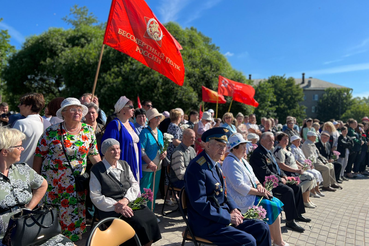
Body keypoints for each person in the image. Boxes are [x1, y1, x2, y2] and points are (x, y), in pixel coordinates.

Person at [184, 128, 271, 246]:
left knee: (262, 227)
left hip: (221, 218)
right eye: (219, 145)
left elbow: (224, 191)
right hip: (207, 224)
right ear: (208, 145)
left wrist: (234, 208)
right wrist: (228, 217)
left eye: (224, 146)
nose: (223, 149)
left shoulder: (214, 163)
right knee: (248, 241)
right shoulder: (197, 168)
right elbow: (200, 203)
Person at [33, 97, 101, 242]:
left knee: (73, 224)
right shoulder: (51, 132)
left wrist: (105, 173)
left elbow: (95, 156)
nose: (77, 112)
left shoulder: (88, 131)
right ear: (63, 113)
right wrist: (36, 182)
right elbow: (39, 156)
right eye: (72, 109)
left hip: (76, 187)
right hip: (53, 187)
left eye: (79, 109)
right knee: (52, 223)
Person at [0, 127, 73, 245]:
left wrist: (29, 208)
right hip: (5, 237)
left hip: (30, 228)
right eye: (19, 146)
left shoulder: (23, 169)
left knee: (66, 243)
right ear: (5, 151)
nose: (22, 149)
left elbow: (43, 185)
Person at [90, 139, 161, 246]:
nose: (117, 151)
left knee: (151, 218)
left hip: (129, 202)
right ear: (104, 152)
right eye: (112, 149)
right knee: (138, 224)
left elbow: (134, 184)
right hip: (110, 209)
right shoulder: (97, 169)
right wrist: (116, 206)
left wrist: (125, 200)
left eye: (118, 148)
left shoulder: (124, 164)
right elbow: (95, 196)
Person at [223, 133, 288, 246]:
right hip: (241, 198)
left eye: (245, 146)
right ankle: (278, 241)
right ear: (235, 147)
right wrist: (259, 191)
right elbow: (239, 186)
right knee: (272, 206)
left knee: (276, 202)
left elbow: (253, 177)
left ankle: (274, 238)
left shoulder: (242, 160)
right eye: (243, 146)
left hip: (251, 193)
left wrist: (259, 186)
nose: (245, 149)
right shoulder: (230, 162)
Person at [249, 132, 310, 233]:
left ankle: (298, 214)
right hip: (267, 183)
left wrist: (283, 175)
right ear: (262, 141)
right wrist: (279, 179)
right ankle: (290, 221)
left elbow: (276, 167)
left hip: (275, 179)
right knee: (288, 191)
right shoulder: (258, 153)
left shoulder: (268, 151)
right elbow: (264, 172)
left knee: (297, 186)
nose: (272, 142)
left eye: (273, 140)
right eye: (269, 140)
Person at [102, 96, 142, 182]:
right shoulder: (114, 124)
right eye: (131, 107)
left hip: (135, 161)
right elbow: (108, 147)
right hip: (123, 162)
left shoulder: (131, 125)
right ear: (122, 109)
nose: (133, 109)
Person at [273, 133, 316, 208]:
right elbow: (281, 165)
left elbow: (294, 160)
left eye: (287, 139)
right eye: (284, 139)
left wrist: (301, 166)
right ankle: (296, 196)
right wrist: (296, 170)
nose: (286, 141)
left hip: (295, 170)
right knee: (309, 178)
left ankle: (305, 199)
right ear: (279, 140)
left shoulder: (287, 148)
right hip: (288, 173)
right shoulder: (279, 150)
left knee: (312, 177)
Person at [139, 108, 167, 212]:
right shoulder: (144, 133)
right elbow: (141, 150)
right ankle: (142, 214)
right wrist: (149, 162)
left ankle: (151, 212)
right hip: (147, 166)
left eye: (159, 117)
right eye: (156, 117)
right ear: (150, 119)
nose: (159, 118)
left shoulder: (159, 132)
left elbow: (162, 147)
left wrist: (164, 153)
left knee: (154, 191)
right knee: (145, 190)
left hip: (158, 166)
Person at [13, 93, 49, 168]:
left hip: (19, 168)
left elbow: (11, 148)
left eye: (21, 103)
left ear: (29, 106)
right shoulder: (46, 123)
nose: (19, 106)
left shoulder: (21, 123)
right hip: (38, 170)